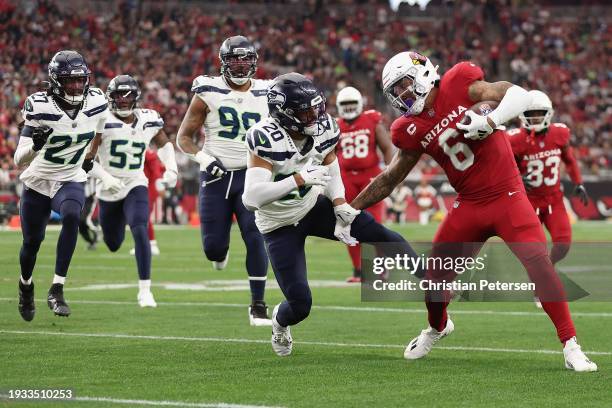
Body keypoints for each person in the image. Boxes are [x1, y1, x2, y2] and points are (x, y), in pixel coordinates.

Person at [350, 51, 597, 372]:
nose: (401, 96)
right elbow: (389, 179)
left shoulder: (459, 82)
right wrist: (348, 210)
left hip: (508, 195)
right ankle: (438, 327)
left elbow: (519, 95)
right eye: (395, 92)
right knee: (435, 281)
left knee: (540, 264)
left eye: (404, 86)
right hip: (468, 203)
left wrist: (490, 120)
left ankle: (571, 345)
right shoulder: (407, 128)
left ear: (423, 73)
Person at [242, 73, 420, 357]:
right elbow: (251, 198)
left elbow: (330, 164)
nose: (315, 115)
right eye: (305, 111)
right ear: (284, 113)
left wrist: (339, 205)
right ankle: (279, 322)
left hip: (314, 207)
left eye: (316, 107)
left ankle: (430, 278)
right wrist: (298, 179)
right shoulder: (265, 136)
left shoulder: (324, 127)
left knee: (376, 232)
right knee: (300, 304)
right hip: (278, 225)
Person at [176, 36, 272, 325]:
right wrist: (206, 160)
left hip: (252, 174)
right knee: (213, 248)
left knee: (255, 237)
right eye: (234, 59)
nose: (240, 65)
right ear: (223, 62)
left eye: (245, 59)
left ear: (254, 62)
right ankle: (220, 253)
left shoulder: (268, 92)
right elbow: (183, 138)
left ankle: (258, 304)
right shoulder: (208, 90)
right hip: (216, 176)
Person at [14, 50, 107, 320]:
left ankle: (57, 288)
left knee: (72, 215)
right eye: (70, 81)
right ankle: (25, 285)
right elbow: (19, 159)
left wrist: (90, 156)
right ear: (55, 81)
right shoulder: (39, 106)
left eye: (80, 80)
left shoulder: (97, 101)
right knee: (32, 242)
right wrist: (35, 144)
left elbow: (98, 129)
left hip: (70, 176)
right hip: (38, 180)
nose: (76, 86)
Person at [89, 74, 178, 307]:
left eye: (128, 95)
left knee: (140, 228)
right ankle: (106, 229)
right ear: (111, 98)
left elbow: (164, 143)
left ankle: (145, 291)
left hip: (135, 183)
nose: (123, 100)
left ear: (136, 97)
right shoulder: (101, 121)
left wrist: (172, 169)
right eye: (119, 95)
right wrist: (105, 178)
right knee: (113, 243)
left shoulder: (148, 119)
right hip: (108, 189)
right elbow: (85, 159)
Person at [508, 90, 588, 265]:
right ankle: (541, 281)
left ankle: (548, 267)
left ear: (548, 113)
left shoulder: (559, 133)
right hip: (528, 203)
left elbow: (570, 160)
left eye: (540, 113)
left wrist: (578, 183)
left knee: (563, 244)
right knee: (535, 249)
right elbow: (504, 168)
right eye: (531, 113)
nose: (536, 118)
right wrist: (517, 179)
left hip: (554, 200)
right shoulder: (515, 139)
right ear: (523, 115)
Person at [335, 86, 394, 282]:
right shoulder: (335, 125)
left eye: (352, 103)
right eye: (345, 104)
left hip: (370, 176)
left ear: (360, 103)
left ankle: (380, 270)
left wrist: (390, 174)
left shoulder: (371, 119)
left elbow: (387, 148)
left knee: (374, 225)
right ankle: (359, 271)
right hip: (345, 179)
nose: (349, 108)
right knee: (346, 224)